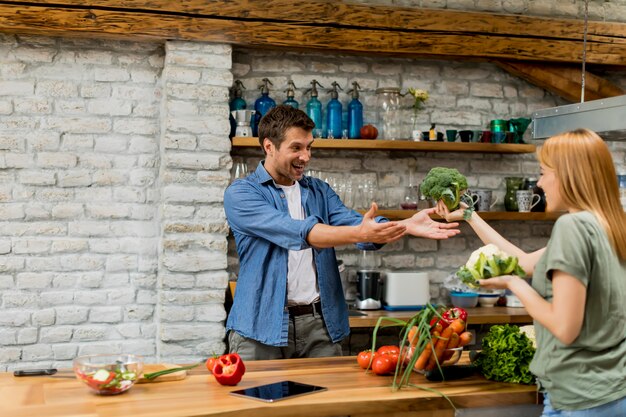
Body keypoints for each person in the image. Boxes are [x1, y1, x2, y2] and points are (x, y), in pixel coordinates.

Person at [224, 105, 460, 360]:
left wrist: (405, 225)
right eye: (296, 148)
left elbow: (353, 223)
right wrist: (362, 234)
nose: (306, 156)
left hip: (319, 327)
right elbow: (303, 233)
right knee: (256, 400)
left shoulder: (319, 191)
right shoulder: (242, 194)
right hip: (259, 327)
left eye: (309, 146)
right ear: (269, 146)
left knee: (328, 400)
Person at [436, 128, 626, 416]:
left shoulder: (572, 228)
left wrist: (514, 284)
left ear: (568, 175)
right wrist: (469, 216)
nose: (539, 184)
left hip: (579, 398)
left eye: (543, 172)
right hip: (613, 392)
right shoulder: (611, 225)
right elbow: (523, 262)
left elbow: (564, 327)